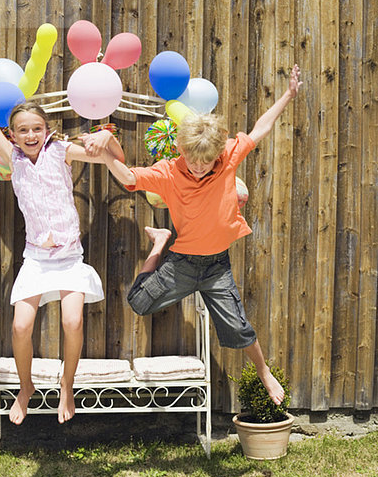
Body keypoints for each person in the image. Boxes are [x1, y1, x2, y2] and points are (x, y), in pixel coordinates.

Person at [84, 64, 302, 405]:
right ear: (181, 149)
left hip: (217, 266)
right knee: (138, 302)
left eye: (207, 161)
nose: (200, 167)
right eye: (193, 160)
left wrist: (287, 96)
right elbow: (128, 178)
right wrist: (108, 158)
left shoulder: (228, 156)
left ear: (218, 152)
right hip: (182, 263)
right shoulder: (168, 172)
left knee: (239, 329)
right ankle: (160, 242)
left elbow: (261, 128)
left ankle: (264, 372)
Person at [0, 39, 124, 425]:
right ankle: (27, 386)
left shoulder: (61, 150)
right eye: (23, 130)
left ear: (46, 129)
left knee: (73, 322)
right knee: (20, 325)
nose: (31, 135)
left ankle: (66, 385)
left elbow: (112, 157)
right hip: (36, 258)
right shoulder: (13, 158)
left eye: (37, 128)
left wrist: (108, 137)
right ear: (12, 135)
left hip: (68, 258)